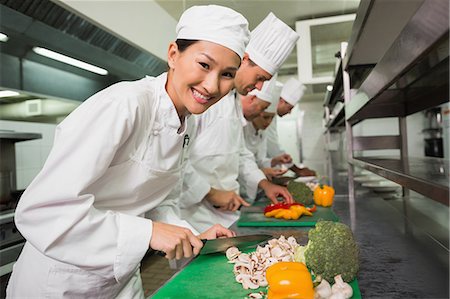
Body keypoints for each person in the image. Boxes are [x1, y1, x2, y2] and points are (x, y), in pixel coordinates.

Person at [6, 5, 250, 298]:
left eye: (227, 74)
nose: (212, 86)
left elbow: (160, 200)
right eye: (204, 65)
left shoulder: (188, 123)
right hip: (60, 283)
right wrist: (149, 233)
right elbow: (42, 212)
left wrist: (190, 235)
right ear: (173, 54)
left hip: (120, 280)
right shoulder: (124, 106)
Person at [179, 12, 299, 233]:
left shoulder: (231, 101)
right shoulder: (203, 99)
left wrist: (265, 184)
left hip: (226, 211)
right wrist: (210, 192)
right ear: (244, 60)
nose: (260, 87)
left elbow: (240, 153)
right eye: (260, 78)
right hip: (196, 215)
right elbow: (177, 160)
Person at [266, 77, 316, 177]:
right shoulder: (267, 116)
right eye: (290, 108)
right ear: (281, 101)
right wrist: (297, 170)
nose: (289, 112)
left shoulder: (272, 116)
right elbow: (273, 147)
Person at [242, 76, 285, 181]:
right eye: (265, 117)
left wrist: (274, 161)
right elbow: (240, 162)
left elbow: (260, 161)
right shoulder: (242, 128)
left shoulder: (262, 132)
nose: (268, 122)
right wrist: (260, 172)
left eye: (272, 118)